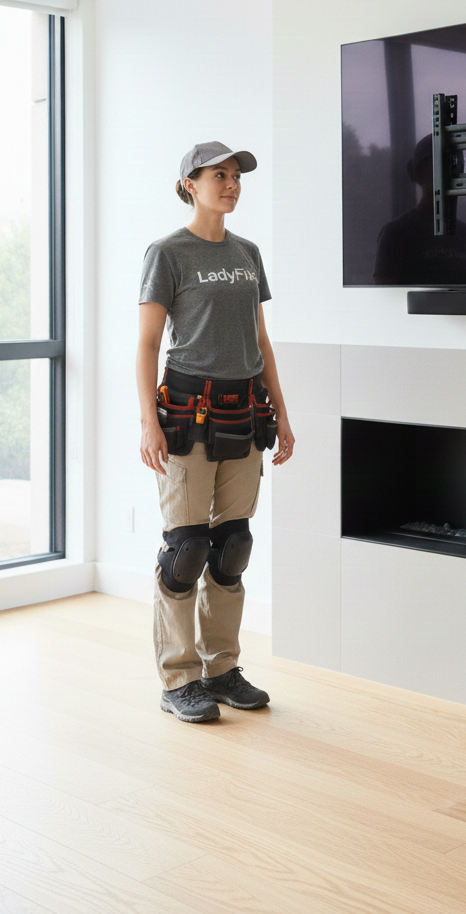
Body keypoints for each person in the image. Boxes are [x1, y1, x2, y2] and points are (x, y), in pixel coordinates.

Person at [137, 141, 295, 723]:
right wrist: (147, 421)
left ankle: (222, 669)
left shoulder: (248, 253)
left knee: (232, 547)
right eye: (219, 175)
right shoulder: (168, 252)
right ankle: (179, 678)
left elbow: (260, 341)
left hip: (244, 413)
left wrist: (281, 411)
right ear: (190, 184)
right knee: (186, 551)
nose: (230, 184)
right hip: (186, 416)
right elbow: (149, 343)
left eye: (235, 176)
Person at [373, 135, 466, 285]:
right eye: (436, 163)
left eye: (454, 163)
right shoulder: (396, 233)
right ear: (417, 172)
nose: (446, 170)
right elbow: (385, 297)